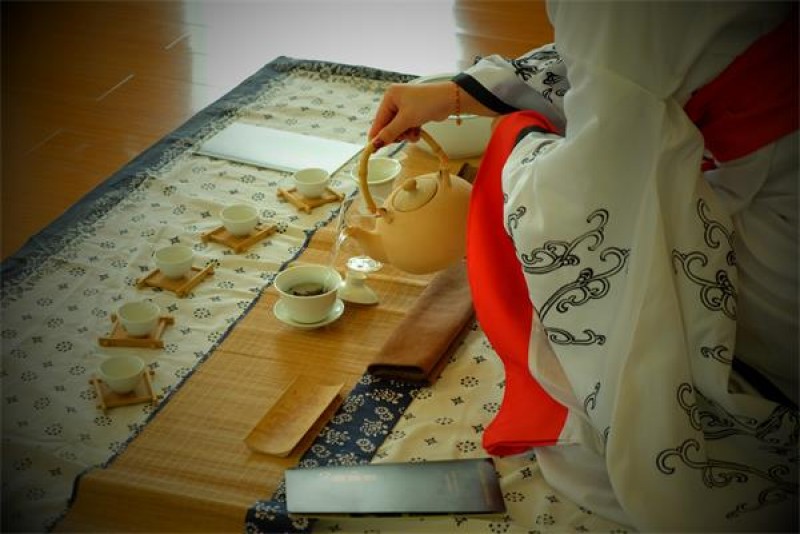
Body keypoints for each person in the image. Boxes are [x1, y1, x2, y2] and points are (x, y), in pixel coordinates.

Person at [368, 1, 798, 531]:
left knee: (518, 170)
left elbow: (595, 173)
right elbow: (628, 58)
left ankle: (571, 409)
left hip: (772, 216)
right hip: (767, 162)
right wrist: (457, 93)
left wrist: (514, 158)